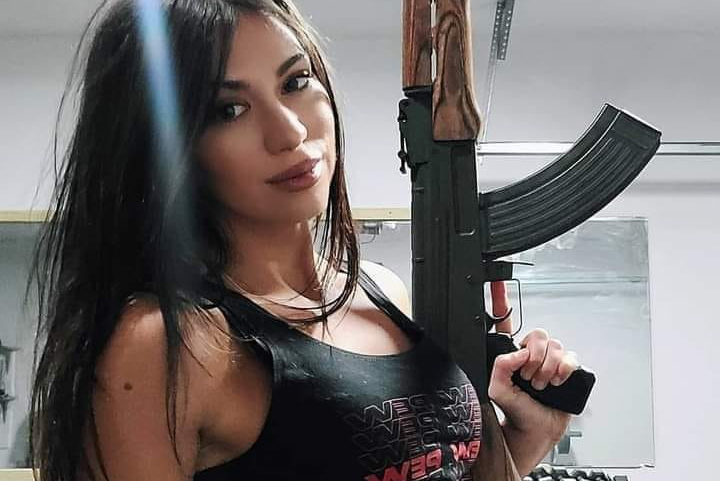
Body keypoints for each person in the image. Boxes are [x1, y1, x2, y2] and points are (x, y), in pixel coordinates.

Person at [29, 1, 580, 480]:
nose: (290, 132)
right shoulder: (165, 344)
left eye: (295, 82)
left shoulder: (381, 291)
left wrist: (527, 436)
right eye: (229, 110)